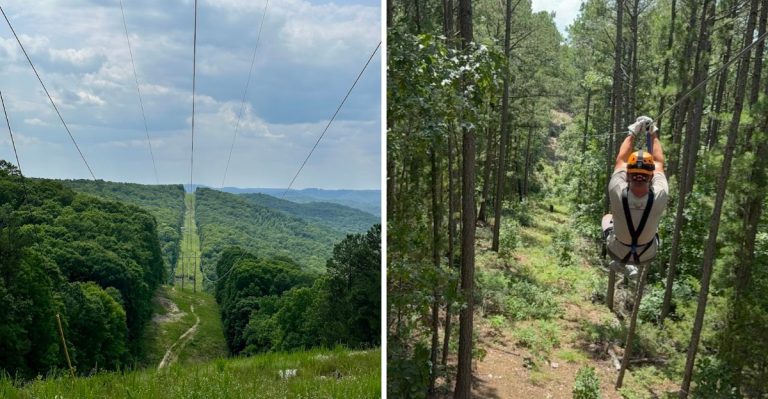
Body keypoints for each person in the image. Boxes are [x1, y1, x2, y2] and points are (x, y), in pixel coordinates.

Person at [602, 116, 668, 279]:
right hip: (646, 254)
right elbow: (659, 162)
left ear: (628, 174)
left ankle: (622, 262)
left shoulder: (617, 189)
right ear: (651, 176)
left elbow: (621, 160)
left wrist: (633, 132)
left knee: (608, 217)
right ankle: (632, 264)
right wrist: (652, 133)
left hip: (616, 250)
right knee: (654, 224)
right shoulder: (660, 193)